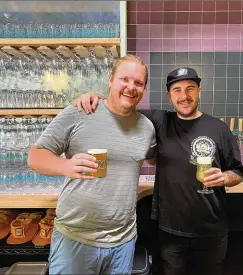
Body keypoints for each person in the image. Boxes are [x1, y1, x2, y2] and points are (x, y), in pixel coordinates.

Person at [75, 66, 243, 275]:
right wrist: (95, 96)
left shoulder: (219, 129)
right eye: (177, 90)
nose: (184, 96)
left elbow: (237, 172)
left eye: (190, 88)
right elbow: (120, 107)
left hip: (212, 230)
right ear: (169, 96)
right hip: (170, 232)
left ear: (199, 91)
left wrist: (225, 177)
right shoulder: (159, 121)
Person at [27, 55, 156, 275]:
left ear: (144, 88)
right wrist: (65, 166)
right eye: (124, 79)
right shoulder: (80, 112)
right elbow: (35, 157)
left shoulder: (146, 127)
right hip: (76, 238)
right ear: (111, 80)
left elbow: (154, 158)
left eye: (138, 83)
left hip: (123, 242)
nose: (131, 87)